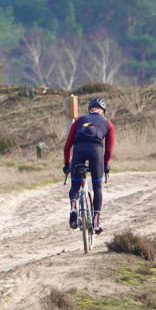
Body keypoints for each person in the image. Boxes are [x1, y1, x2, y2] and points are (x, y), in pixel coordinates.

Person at [62, 98, 115, 234]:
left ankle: (74, 206)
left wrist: (67, 164)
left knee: (75, 185)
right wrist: (105, 164)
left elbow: (67, 146)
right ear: (102, 112)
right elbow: (108, 150)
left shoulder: (79, 120)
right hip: (96, 151)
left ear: (90, 110)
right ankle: (96, 221)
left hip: (78, 150)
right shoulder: (108, 124)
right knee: (97, 186)